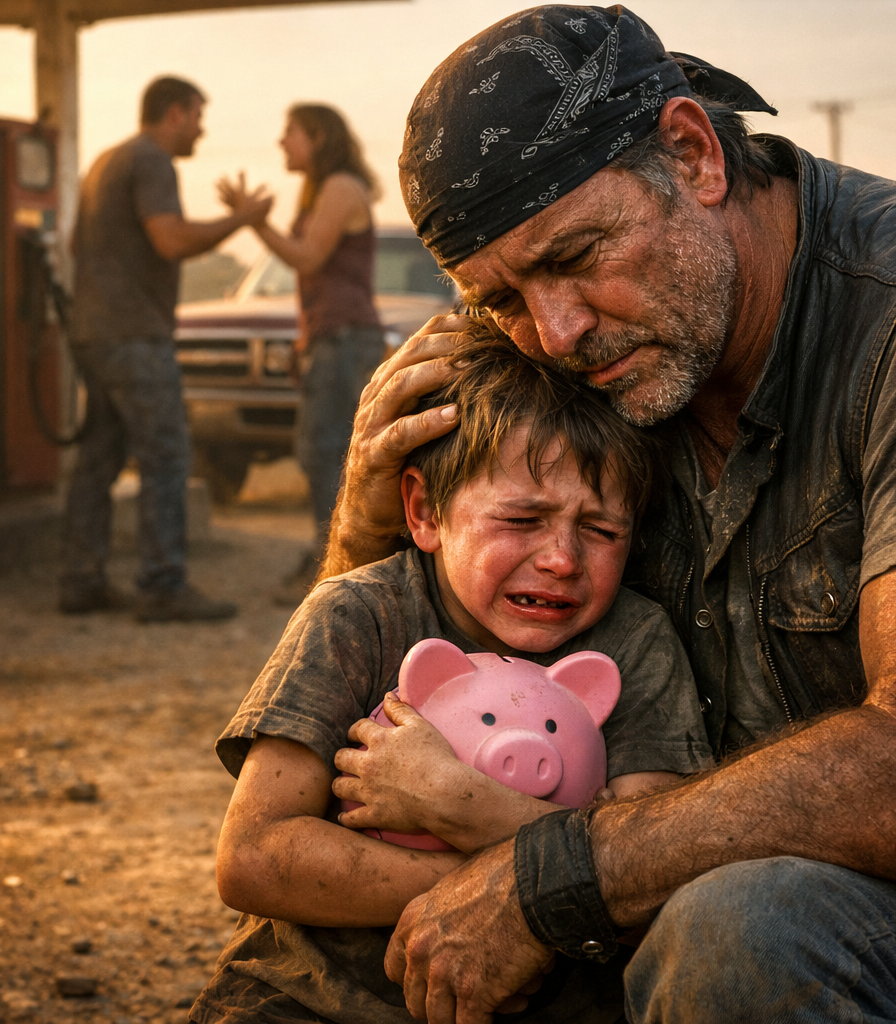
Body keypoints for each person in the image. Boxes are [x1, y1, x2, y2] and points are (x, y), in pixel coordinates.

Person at [320, 6, 896, 1022]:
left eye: (575, 255)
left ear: (693, 154)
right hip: (693, 871)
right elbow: (354, 725)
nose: (553, 332)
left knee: (742, 933)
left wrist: (555, 877)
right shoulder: (602, 355)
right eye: (501, 299)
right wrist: (367, 527)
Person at [189, 320, 713, 1024]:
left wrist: (458, 802)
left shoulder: (636, 642)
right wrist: (496, 884)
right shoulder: (359, 615)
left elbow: (649, 882)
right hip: (308, 998)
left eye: (601, 530)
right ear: (424, 511)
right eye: (522, 519)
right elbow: (253, 856)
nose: (562, 558)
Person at [61, 75, 272, 622]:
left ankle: (81, 580)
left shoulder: (107, 161)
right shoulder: (153, 161)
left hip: (94, 331)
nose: (202, 128)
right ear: (175, 113)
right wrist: (241, 221)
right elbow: (171, 240)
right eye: (198, 115)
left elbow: (73, 245)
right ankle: (162, 585)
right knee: (167, 454)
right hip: (134, 334)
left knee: (98, 459)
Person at [220, 104, 386, 607]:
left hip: (344, 340)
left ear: (316, 136)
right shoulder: (325, 188)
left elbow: (308, 257)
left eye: (290, 132)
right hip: (332, 340)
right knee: (323, 454)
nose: (281, 142)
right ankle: (330, 560)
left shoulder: (338, 186)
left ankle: (332, 569)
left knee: (326, 455)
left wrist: (253, 222)